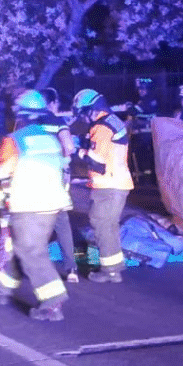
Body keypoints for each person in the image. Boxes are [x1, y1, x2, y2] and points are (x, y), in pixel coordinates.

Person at [0, 90, 72, 321]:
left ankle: (53, 301)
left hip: (28, 204)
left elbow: (1, 172)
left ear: (19, 114)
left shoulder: (15, 140)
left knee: (29, 251)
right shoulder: (51, 139)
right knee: (23, 246)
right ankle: (0, 286)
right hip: (52, 205)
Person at [73, 88, 134, 283]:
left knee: (101, 225)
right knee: (109, 225)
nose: (84, 119)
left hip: (108, 184)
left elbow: (97, 162)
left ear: (91, 109)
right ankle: (115, 266)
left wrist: (79, 151)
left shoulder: (102, 127)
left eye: (84, 113)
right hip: (118, 182)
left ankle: (110, 272)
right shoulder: (113, 121)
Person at [40, 88, 79, 283]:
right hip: (54, 178)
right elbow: (69, 147)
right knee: (62, 222)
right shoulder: (58, 122)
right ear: (53, 103)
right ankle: (71, 268)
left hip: (32, 177)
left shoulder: (27, 123)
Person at [112, 77, 159, 181]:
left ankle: (147, 179)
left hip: (147, 136)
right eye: (140, 89)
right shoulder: (143, 100)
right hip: (142, 136)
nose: (141, 91)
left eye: (144, 89)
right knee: (140, 156)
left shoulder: (149, 101)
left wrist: (127, 107)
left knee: (146, 157)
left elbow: (133, 111)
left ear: (149, 89)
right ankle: (141, 177)